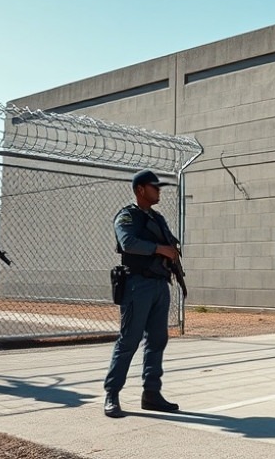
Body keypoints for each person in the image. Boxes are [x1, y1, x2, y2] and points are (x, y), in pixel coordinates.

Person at [103, 169, 181, 417]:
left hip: (159, 284)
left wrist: (170, 251)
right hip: (138, 285)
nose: (158, 191)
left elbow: (170, 244)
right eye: (154, 187)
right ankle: (112, 394)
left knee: (157, 340)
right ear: (140, 190)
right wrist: (160, 249)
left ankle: (151, 393)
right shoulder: (127, 216)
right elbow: (128, 243)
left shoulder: (158, 219)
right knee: (129, 340)